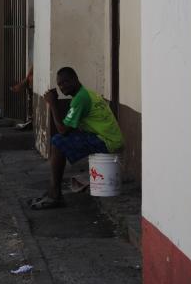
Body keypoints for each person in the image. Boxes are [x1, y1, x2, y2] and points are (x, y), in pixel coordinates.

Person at [30, 67, 123, 210]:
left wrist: (53, 104)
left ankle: (55, 194)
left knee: (58, 142)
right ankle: (53, 191)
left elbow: (62, 130)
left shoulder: (81, 99)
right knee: (60, 140)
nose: (62, 87)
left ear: (75, 80)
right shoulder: (84, 94)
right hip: (107, 138)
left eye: (66, 82)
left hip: (107, 141)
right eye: (60, 84)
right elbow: (68, 127)